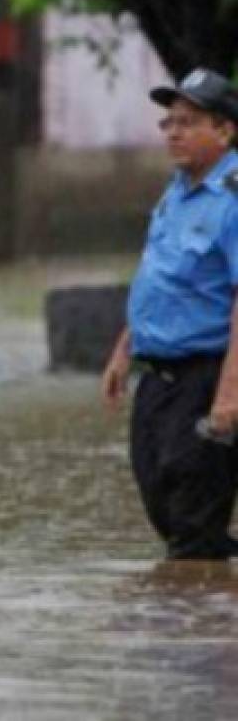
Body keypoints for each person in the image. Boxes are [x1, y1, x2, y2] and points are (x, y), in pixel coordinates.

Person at [102, 67, 238, 560]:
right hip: (157, 378)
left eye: (189, 121)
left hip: (206, 375)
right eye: (169, 122)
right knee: (160, 494)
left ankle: (203, 626)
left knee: (193, 516)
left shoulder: (233, 198)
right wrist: (124, 350)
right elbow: (159, 277)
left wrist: (228, 396)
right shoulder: (177, 189)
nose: (174, 132)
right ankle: (204, 606)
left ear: (224, 130)